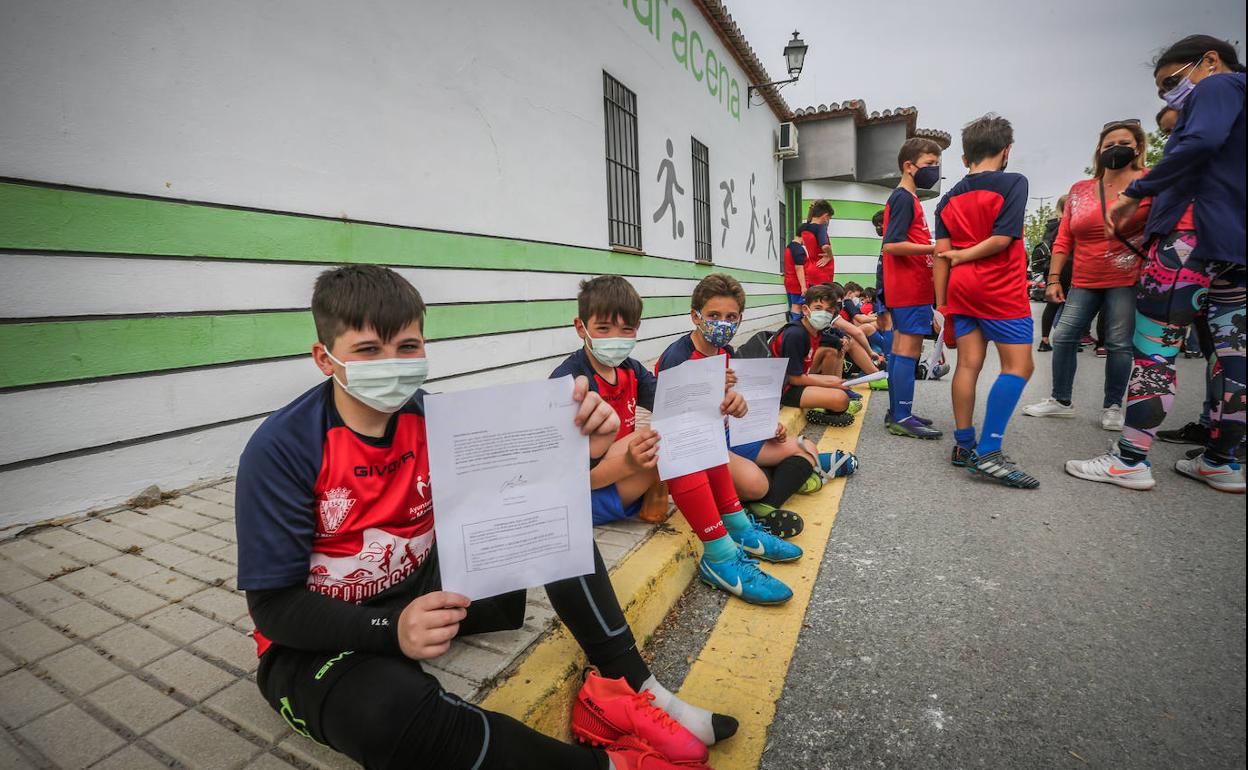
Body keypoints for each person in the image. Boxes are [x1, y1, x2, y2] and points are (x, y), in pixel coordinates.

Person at [235, 266, 732, 770]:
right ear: (326, 358)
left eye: (407, 348)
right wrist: (390, 628)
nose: (392, 364)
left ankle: (628, 687)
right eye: (368, 350)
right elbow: (273, 608)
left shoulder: (436, 419)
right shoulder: (282, 449)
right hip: (316, 641)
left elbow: (523, 490)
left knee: (550, 520)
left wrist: (583, 447)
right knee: (389, 713)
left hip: (424, 593)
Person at [552, 275, 802, 605]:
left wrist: (724, 398)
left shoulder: (630, 369)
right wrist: (628, 461)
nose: (616, 338)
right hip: (590, 496)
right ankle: (720, 554)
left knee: (689, 427)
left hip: (623, 477)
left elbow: (681, 408)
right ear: (580, 326)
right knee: (669, 438)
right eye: (603, 329)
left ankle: (737, 527)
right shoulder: (568, 384)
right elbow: (570, 478)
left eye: (626, 330)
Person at [1067, 35, 1245, 493]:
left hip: (1188, 242)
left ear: (1209, 61)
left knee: (1156, 353)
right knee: (1233, 359)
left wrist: (1133, 195)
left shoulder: (1218, 86)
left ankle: (1130, 459)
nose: (1169, 96)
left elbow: (1201, 141)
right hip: (1235, 248)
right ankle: (1222, 462)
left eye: (1171, 82)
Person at [655, 274, 856, 540]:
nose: (722, 323)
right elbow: (672, 425)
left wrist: (762, 425)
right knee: (757, 483)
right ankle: (765, 498)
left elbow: (735, 404)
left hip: (729, 434)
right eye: (713, 315)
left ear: (740, 318)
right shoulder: (677, 357)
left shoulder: (726, 351)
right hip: (702, 444)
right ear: (695, 316)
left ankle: (764, 501)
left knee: (806, 448)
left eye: (731, 317)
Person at [933, 114, 1039, 489]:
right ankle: (990, 452)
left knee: (968, 364)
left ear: (964, 159)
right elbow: (1004, 238)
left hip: (962, 291)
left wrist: (942, 305)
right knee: (1019, 367)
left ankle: (964, 445)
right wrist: (966, 257)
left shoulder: (947, 199)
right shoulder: (1014, 183)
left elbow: (940, 257)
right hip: (1001, 289)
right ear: (1007, 150)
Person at [1023, 121, 1152, 431]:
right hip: (1084, 277)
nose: (1115, 149)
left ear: (1138, 148)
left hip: (1127, 277)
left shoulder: (1149, 182)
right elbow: (1064, 238)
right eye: (1108, 144)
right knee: (1064, 336)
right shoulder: (1080, 191)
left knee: (1119, 343)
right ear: (1099, 151)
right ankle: (1061, 400)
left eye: (1123, 142)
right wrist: (1053, 279)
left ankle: (1112, 407)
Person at [881, 138, 945, 438]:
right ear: (909, 166)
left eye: (936, 164)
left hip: (908, 287)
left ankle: (898, 411)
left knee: (899, 350)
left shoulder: (906, 198)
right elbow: (891, 245)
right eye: (929, 164)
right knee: (908, 350)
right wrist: (933, 248)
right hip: (909, 287)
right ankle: (902, 417)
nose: (935, 170)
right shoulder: (904, 198)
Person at [770, 284, 859, 430]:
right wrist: (829, 383)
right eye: (818, 308)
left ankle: (823, 404)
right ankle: (820, 412)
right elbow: (794, 378)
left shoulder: (816, 331)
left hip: (797, 379)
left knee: (839, 386)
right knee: (841, 399)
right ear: (806, 309)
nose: (823, 314)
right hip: (782, 388)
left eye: (829, 311)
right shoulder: (796, 335)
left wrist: (833, 381)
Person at [1035, 195, 1068, 351]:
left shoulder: (1051, 226)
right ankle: (1067, 340)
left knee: (1052, 305)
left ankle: (1045, 340)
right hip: (1069, 266)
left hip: (1051, 268)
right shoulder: (1067, 225)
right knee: (1070, 305)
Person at [796, 200, 836, 287]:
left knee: (813, 297)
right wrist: (830, 255)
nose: (828, 221)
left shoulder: (804, 227)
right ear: (825, 216)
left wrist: (811, 209)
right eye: (829, 218)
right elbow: (825, 246)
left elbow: (809, 220)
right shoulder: (820, 228)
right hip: (823, 270)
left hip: (812, 269)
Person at [782, 231, 809, 321]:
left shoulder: (789, 247)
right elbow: (799, 268)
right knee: (797, 306)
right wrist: (803, 286)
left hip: (789, 281)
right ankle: (795, 327)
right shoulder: (798, 249)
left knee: (794, 306)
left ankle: (793, 325)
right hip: (796, 283)